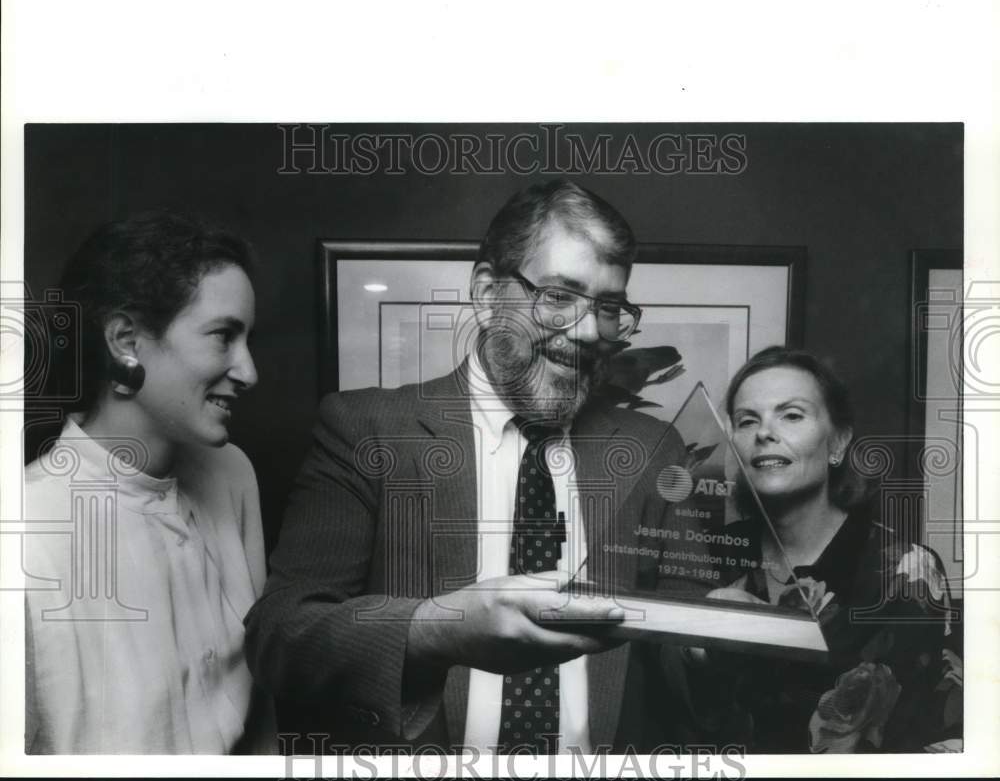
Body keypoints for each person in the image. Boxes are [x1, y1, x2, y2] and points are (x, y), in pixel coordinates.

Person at [245, 179, 692, 754]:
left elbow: (686, 653)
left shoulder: (653, 449)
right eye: (558, 296)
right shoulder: (367, 430)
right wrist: (438, 629)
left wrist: (724, 636)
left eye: (608, 308)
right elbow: (282, 635)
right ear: (485, 294)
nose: (586, 332)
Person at [24, 212, 275, 753]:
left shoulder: (232, 475)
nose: (249, 371)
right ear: (124, 341)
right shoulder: (24, 534)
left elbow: (262, 704)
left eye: (248, 339)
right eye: (223, 336)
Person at [692, 346, 956, 753]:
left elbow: (931, 736)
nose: (764, 433)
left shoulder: (906, 571)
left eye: (792, 415)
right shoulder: (707, 556)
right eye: (747, 421)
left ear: (838, 443)